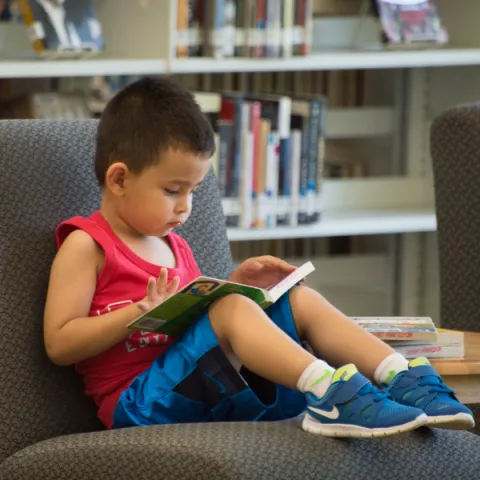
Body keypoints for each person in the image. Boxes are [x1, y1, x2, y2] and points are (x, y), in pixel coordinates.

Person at [43, 77, 474, 438]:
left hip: (200, 387)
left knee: (296, 299)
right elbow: (59, 343)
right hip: (138, 405)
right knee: (233, 309)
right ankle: (330, 393)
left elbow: (196, 331)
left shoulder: (176, 245)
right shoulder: (88, 245)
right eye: (173, 190)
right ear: (119, 179)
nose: (185, 208)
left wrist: (238, 287)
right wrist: (135, 313)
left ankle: (402, 377)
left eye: (194, 192)